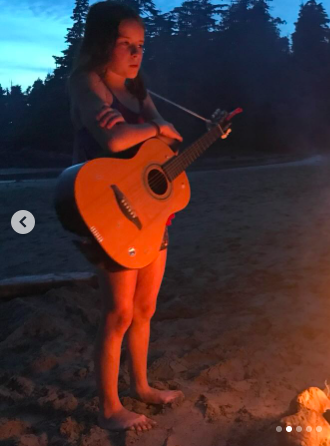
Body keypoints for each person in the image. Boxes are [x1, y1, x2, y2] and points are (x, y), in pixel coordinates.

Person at [68, 1, 183, 432]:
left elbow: (170, 143)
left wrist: (156, 131)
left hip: (149, 212)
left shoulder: (136, 91)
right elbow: (115, 140)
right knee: (117, 312)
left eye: (141, 46)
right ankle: (110, 407)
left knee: (145, 307)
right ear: (101, 45)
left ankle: (142, 387)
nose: (136, 55)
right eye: (125, 45)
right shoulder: (86, 83)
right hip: (107, 211)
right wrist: (153, 130)